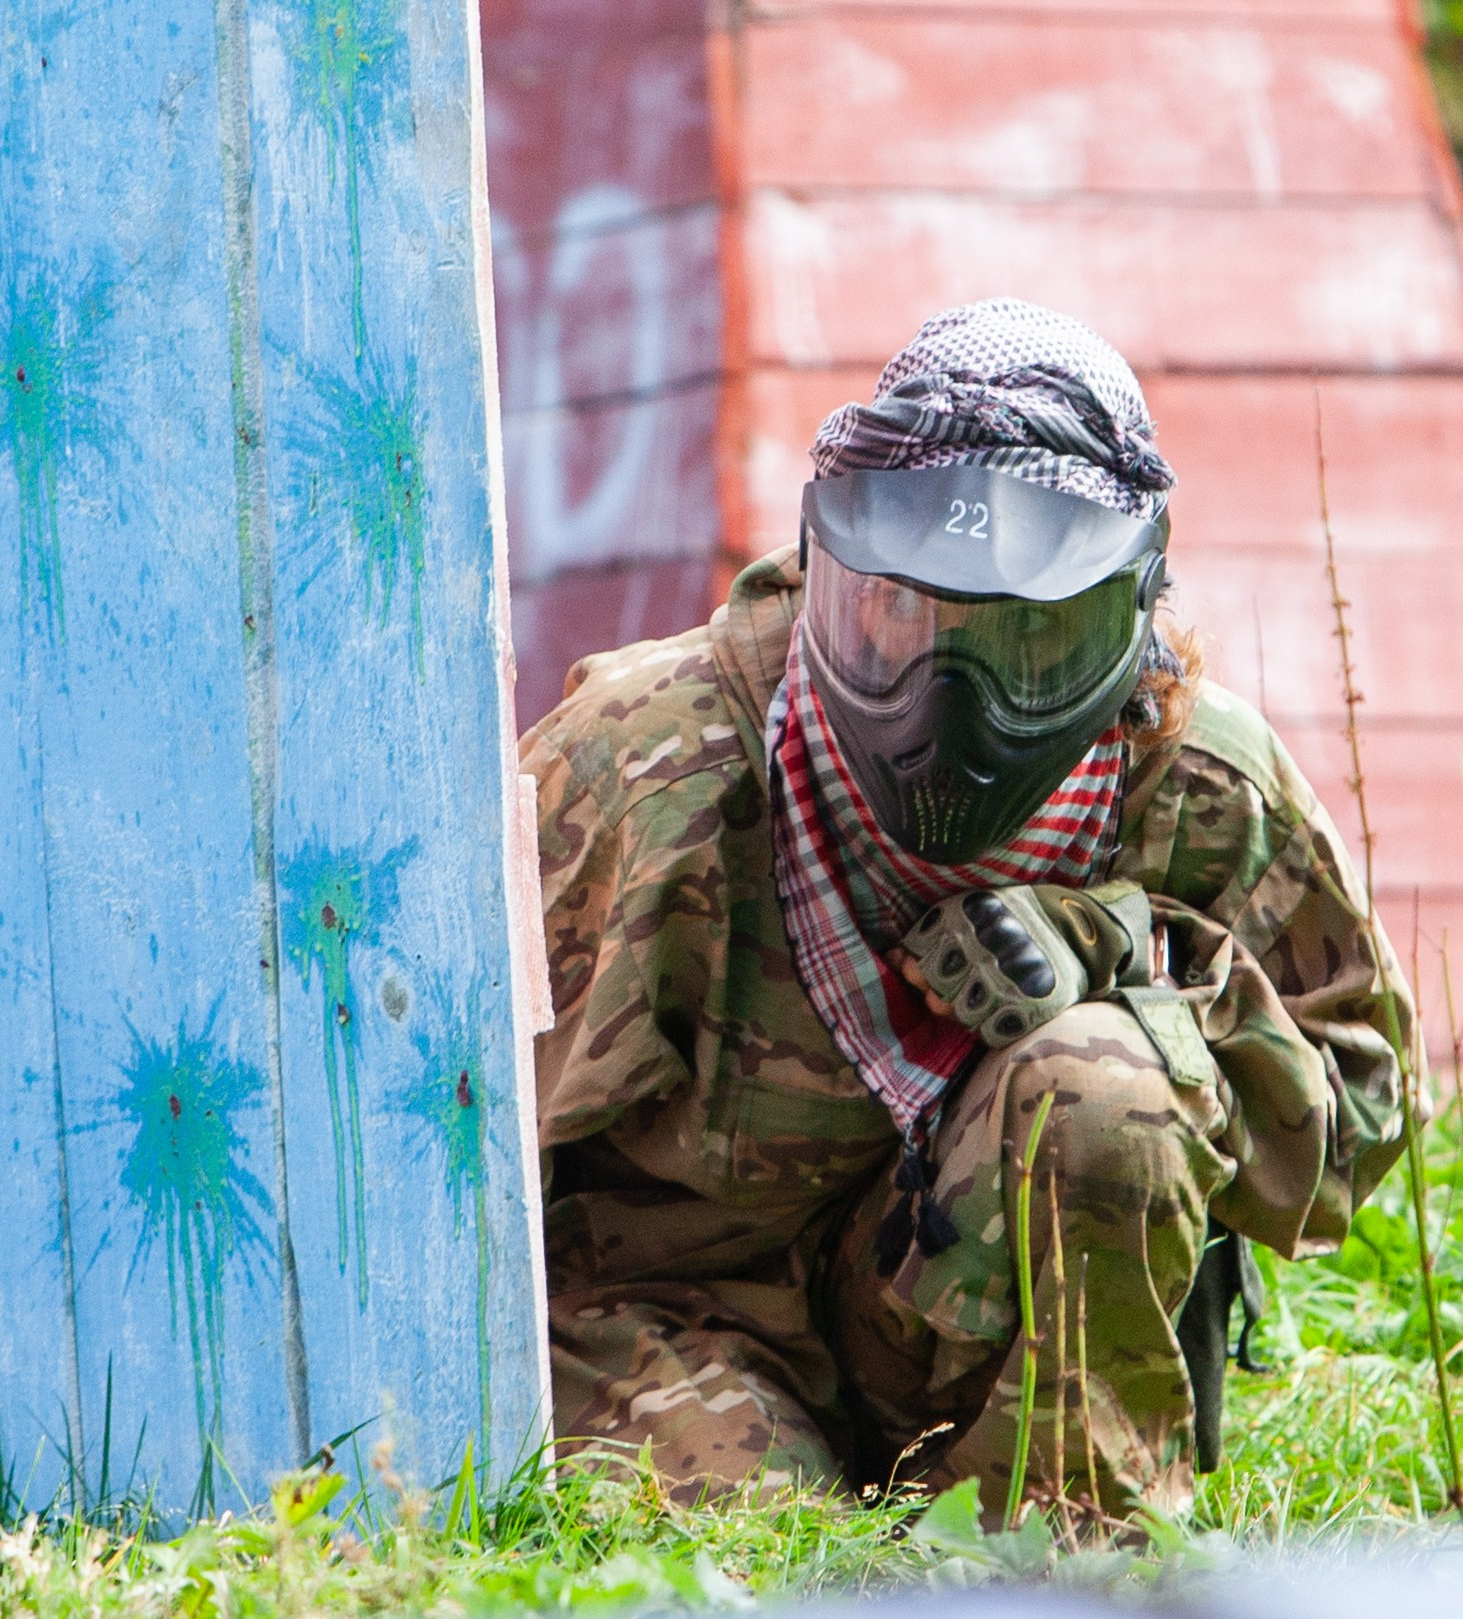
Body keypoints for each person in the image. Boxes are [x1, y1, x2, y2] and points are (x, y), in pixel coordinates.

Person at [521, 298, 1417, 1523]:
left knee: (1106, 1080)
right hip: (681, 1320)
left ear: (1127, 621)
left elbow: (1350, 1129)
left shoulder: (1193, 791)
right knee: (758, 1575)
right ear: (824, 568)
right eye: (895, 608)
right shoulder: (649, 764)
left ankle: (1073, 1554)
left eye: (1024, 637)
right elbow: (464, 1139)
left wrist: (1141, 963)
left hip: (979, 1348)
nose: (944, 690)